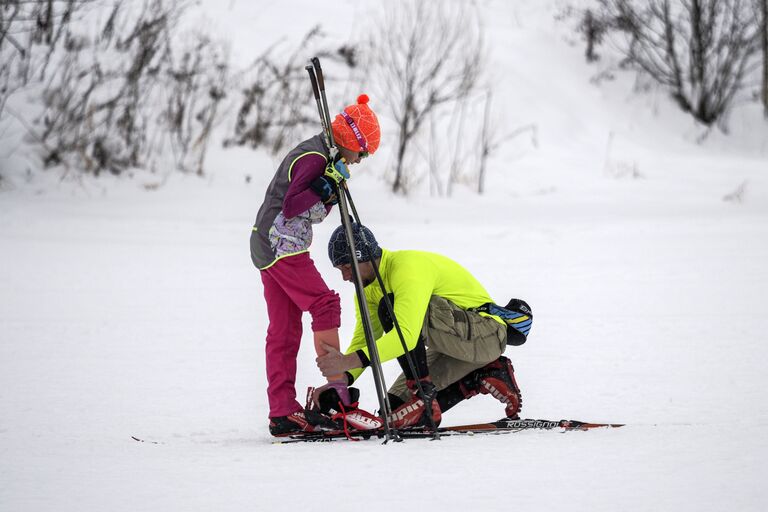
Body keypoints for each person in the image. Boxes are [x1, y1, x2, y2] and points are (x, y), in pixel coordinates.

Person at [249, 95, 383, 436]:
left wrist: (329, 190)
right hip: (280, 244)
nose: (359, 160)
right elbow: (293, 205)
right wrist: (325, 183)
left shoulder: (323, 156)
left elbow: (308, 208)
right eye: (362, 152)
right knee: (325, 304)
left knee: (284, 331)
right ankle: (337, 393)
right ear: (352, 140)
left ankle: (282, 413)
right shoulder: (315, 156)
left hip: (270, 243)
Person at [315, 224, 532, 429]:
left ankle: (423, 394)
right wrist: (343, 377)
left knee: (390, 308)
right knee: (391, 412)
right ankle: (483, 376)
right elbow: (367, 339)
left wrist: (346, 361)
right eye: (339, 269)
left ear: (365, 256)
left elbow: (406, 336)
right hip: (458, 344)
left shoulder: (407, 267)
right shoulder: (367, 289)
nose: (344, 277)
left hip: (487, 334)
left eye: (347, 267)